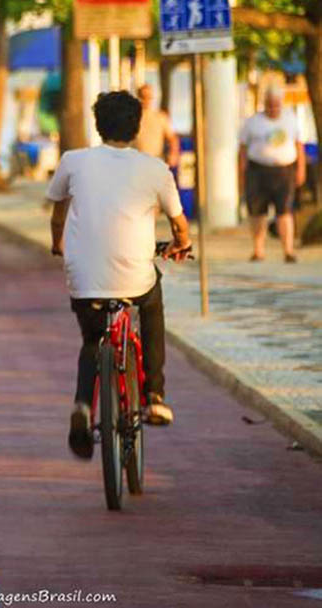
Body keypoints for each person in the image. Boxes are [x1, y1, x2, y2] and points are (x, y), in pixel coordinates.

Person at [46, 91, 191, 460]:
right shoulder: (154, 168)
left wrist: (57, 245)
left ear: (98, 125)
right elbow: (179, 224)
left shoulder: (73, 161)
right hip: (135, 276)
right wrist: (181, 244)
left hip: (84, 275)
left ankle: (82, 405)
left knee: (93, 340)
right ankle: (155, 396)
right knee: (152, 301)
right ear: (137, 126)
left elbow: (58, 216)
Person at [238, 85, 306, 263]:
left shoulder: (291, 119)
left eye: (276, 105)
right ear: (264, 104)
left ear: (281, 104)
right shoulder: (252, 122)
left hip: (284, 171)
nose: (273, 108)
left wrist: (301, 169)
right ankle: (258, 250)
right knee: (257, 212)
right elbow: (243, 149)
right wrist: (242, 172)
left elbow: (299, 145)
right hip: (258, 170)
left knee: (284, 211)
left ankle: (288, 250)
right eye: (270, 104)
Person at [133, 83, 179, 167]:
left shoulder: (161, 117)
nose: (146, 100)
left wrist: (173, 155)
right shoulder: (131, 118)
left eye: (148, 97)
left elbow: (173, 139)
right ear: (138, 98)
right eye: (143, 96)